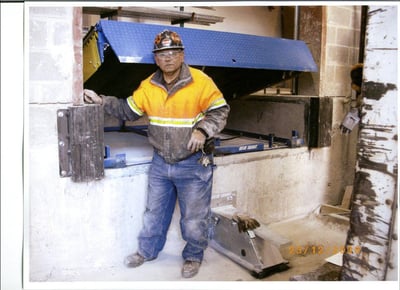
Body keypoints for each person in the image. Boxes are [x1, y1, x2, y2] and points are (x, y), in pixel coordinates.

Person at [83, 29, 229, 278]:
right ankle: (147, 252)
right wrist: (100, 101)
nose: (168, 58)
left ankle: (193, 256)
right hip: (161, 161)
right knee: (154, 213)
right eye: (162, 54)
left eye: (173, 53)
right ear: (156, 58)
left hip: (193, 163)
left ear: (182, 55)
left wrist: (203, 131)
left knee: (194, 218)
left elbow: (220, 110)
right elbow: (127, 110)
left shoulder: (200, 81)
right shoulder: (148, 86)